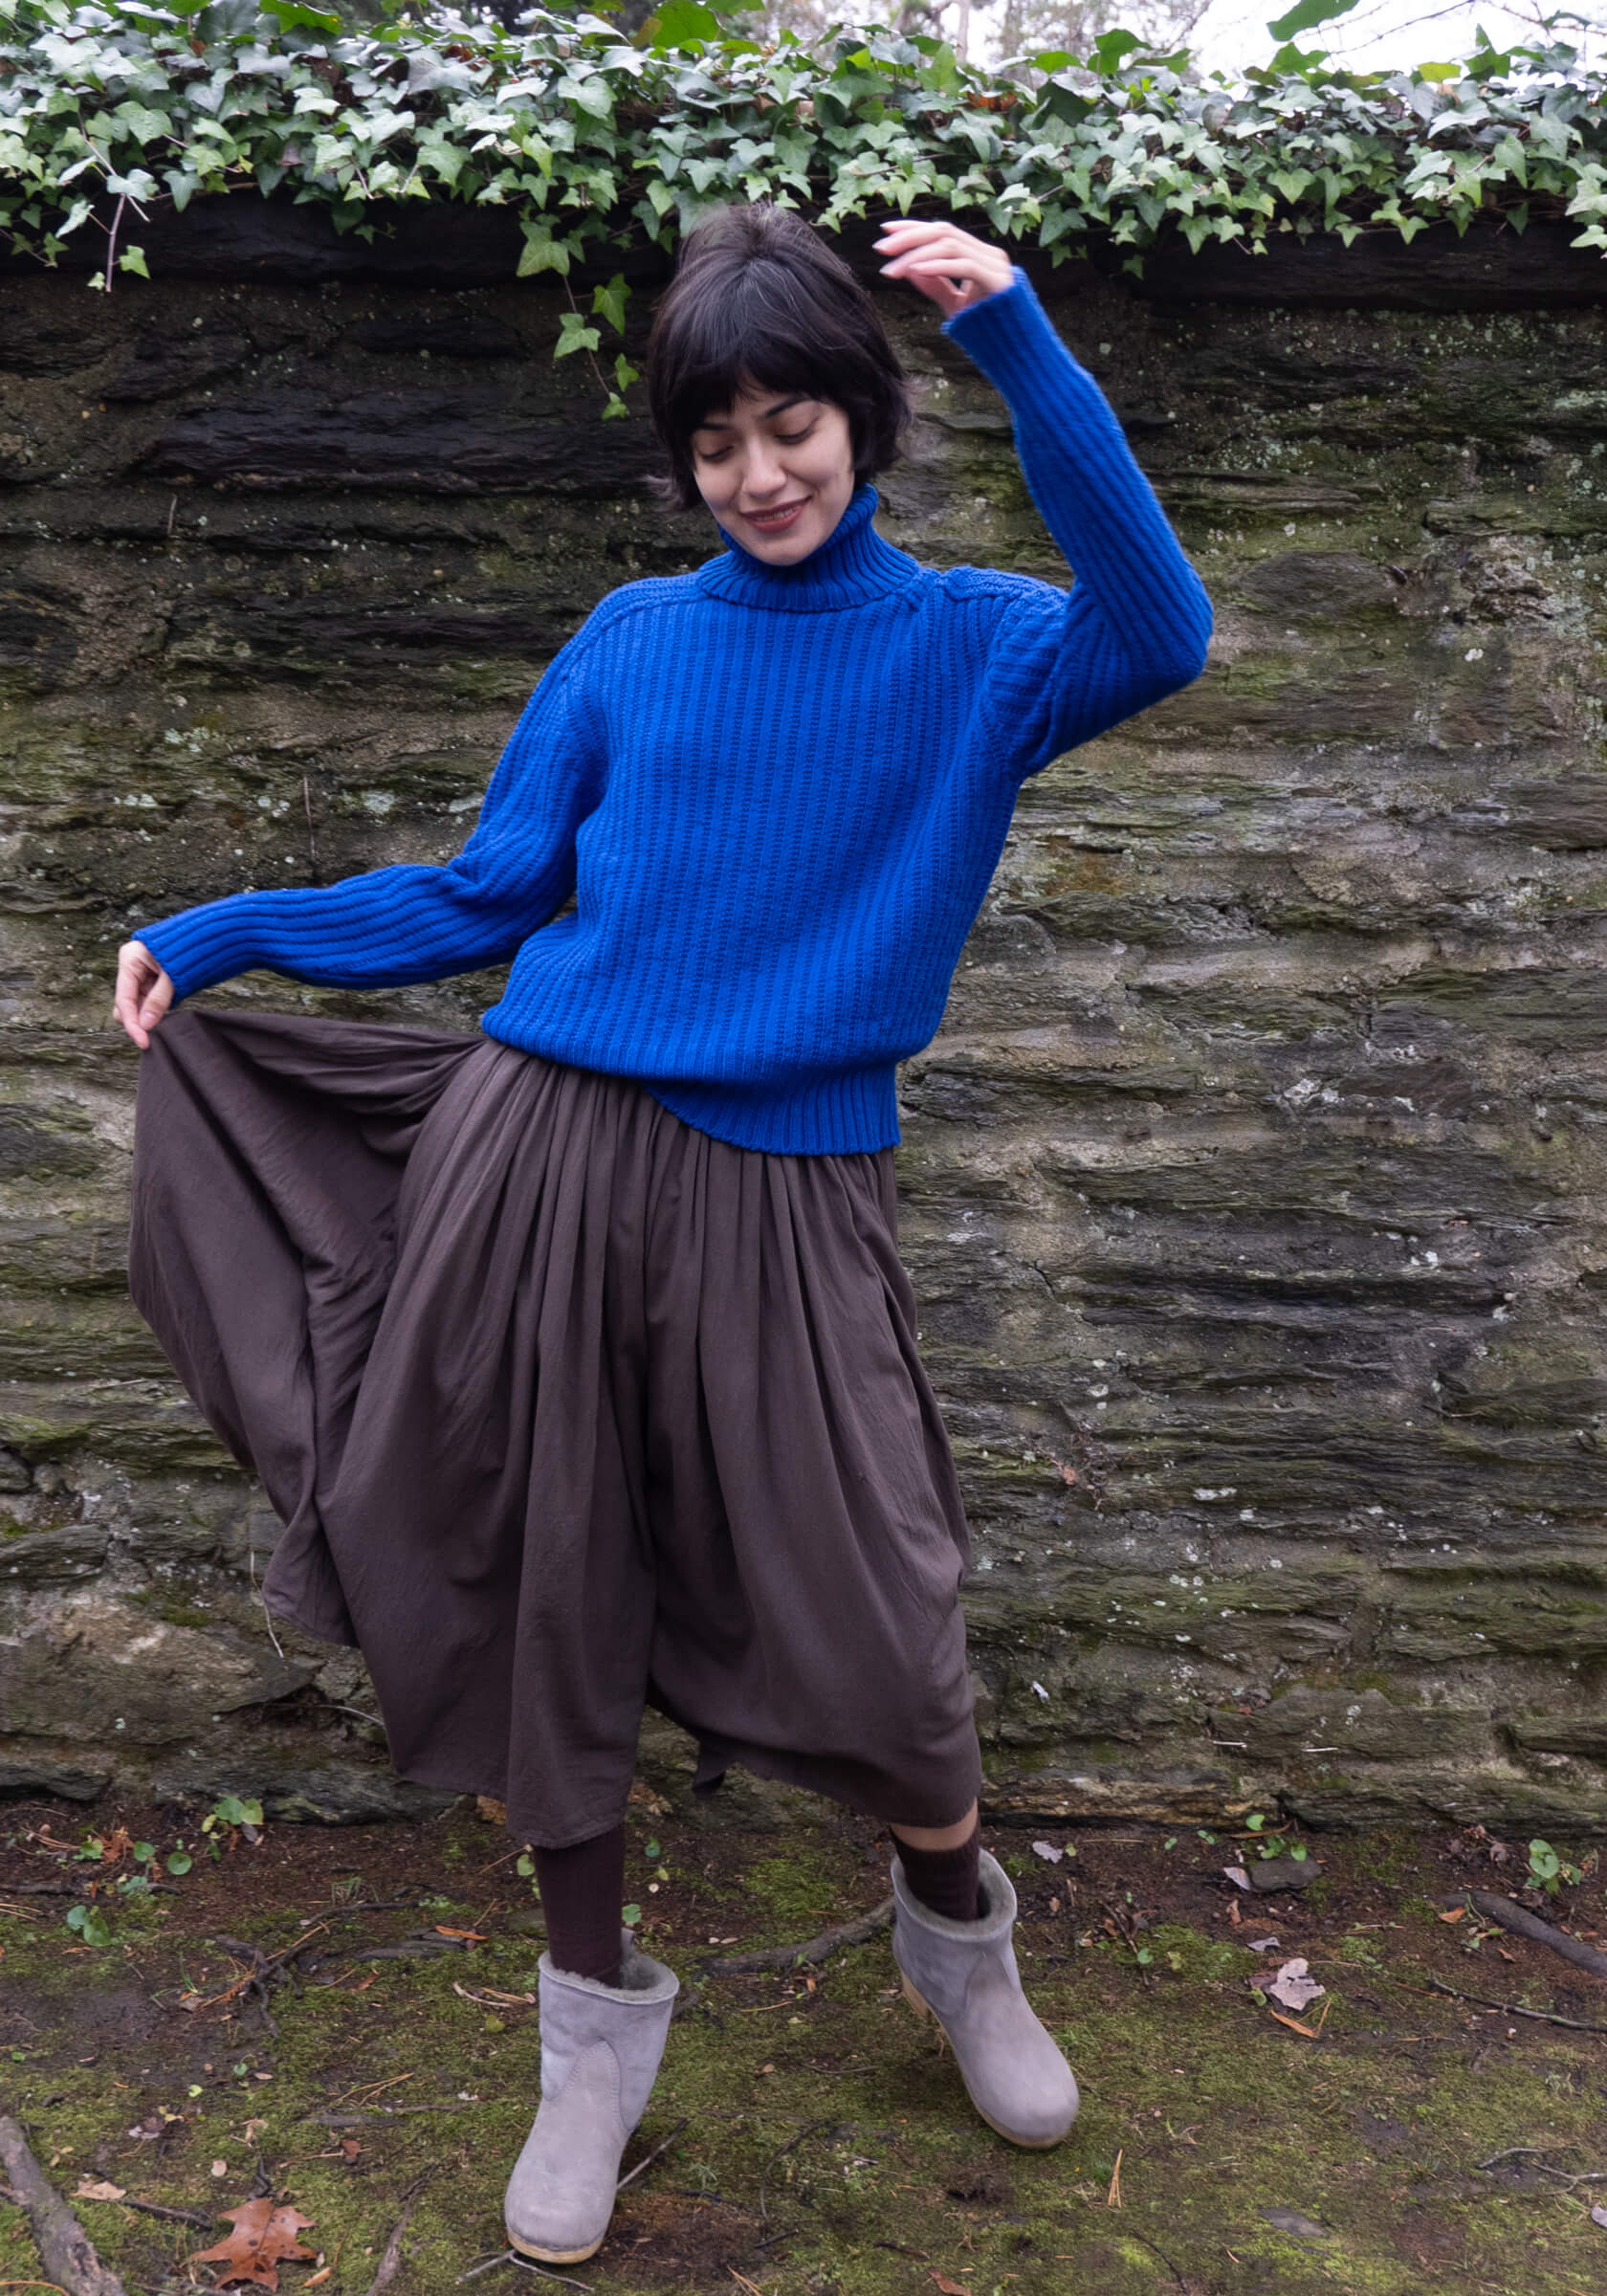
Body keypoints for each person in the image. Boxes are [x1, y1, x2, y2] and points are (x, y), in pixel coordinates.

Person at [116, 199, 1213, 2265]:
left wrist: (1023, 341)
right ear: (683, 460)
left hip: (791, 1200)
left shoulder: (974, 650)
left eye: (793, 422)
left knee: (880, 1605)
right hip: (540, 1164)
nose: (759, 472)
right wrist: (221, 930)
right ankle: (590, 2028)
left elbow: (1161, 631)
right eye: (716, 441)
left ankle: (959, 1929)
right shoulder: (632, 640)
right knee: (558, 1593)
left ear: (861, 422)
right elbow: (485, 891)